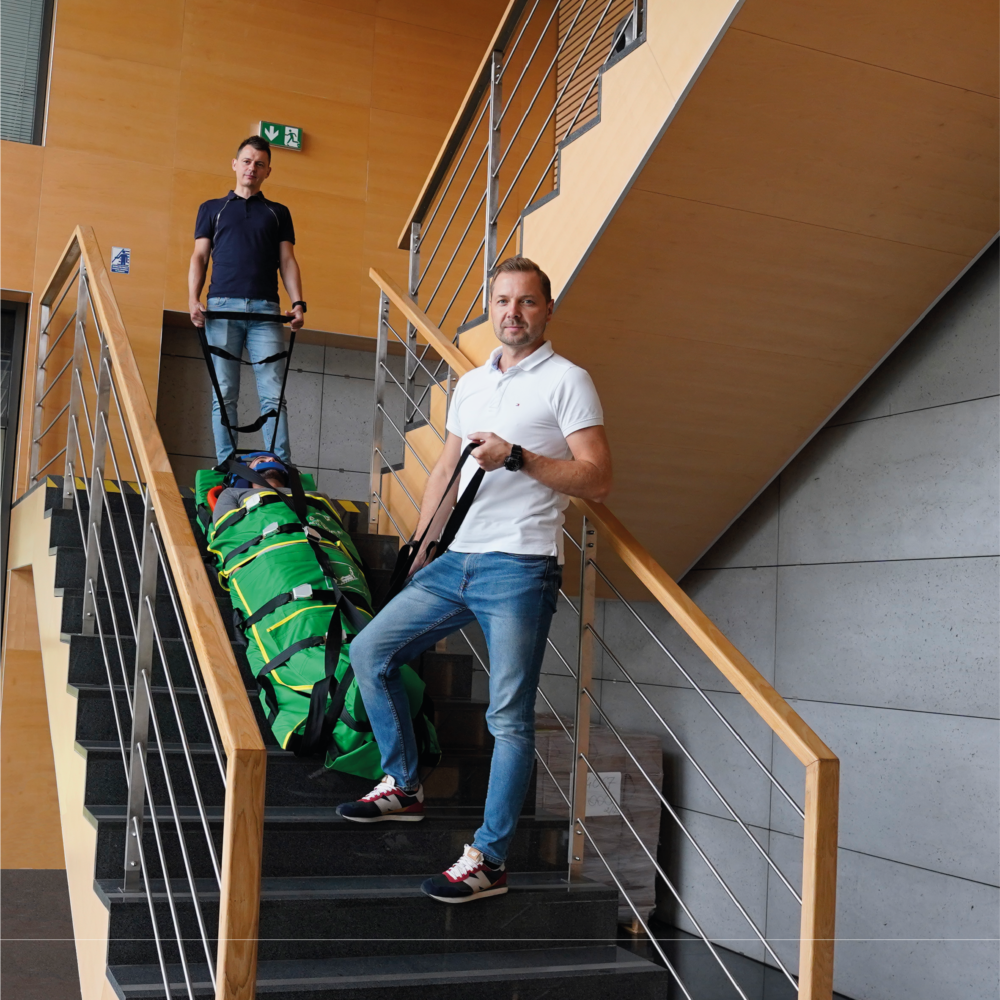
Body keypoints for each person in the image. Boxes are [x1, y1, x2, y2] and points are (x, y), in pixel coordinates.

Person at [337, 256, 613, 904]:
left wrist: (517, 456)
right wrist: (424, 544)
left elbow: (597, 478)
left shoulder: (568, 381)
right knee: (370, 650)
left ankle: (489, 860)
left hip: (519, 566)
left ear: (547, 310)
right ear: (491, 309)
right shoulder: (471, 382)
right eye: (502, 301)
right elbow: (445, 471)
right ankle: (404, 784)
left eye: (527, 301)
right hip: (455, 559)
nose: (513, 312)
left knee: (508, 718)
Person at [188, 135, 307, 467]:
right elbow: (199, 256)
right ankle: (227, 465)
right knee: (223, 394)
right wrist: (193, 299)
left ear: (268, 171)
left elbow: (287, 261)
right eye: (247, 161)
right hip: (221, 310)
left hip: (265, 313)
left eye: (259, 164)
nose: (252, 168)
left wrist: (299, 303)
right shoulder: (212, 209)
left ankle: (277, 467)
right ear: (235, 164)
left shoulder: (277, 213)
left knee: (274, 395)